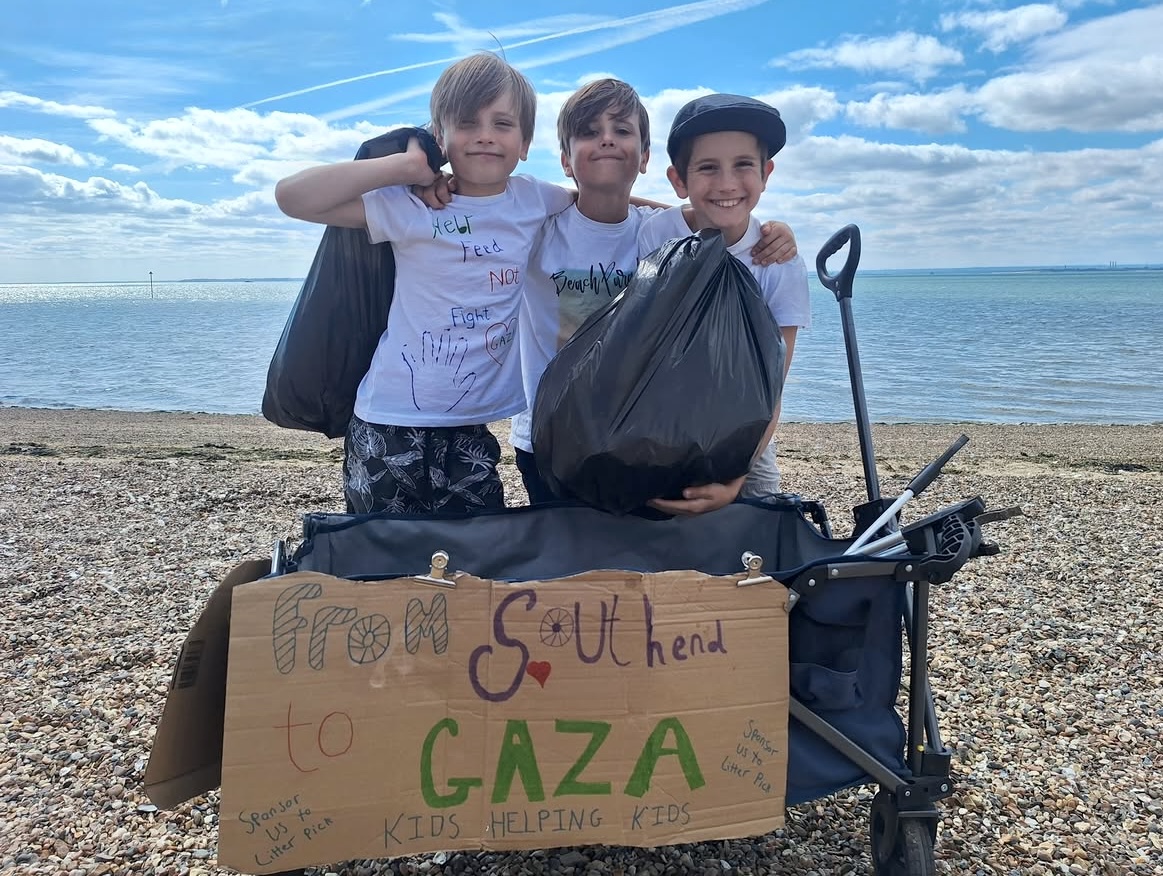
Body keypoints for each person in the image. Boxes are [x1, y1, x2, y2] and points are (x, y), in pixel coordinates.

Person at [273, 52, 577, 514]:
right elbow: (292, 197)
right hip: (386, 421)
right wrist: (404, 168)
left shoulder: (535, 199)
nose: (485, 136)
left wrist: (690, 214)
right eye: (467, 122)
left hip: (473, 428)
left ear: (525, 141)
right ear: (441, 136)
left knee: (474, 570)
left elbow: (598, 202)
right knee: (381, 565)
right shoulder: (413, 206)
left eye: (502, 124)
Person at [512, 79, 800, 506]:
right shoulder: (537, 229)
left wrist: (765, 228)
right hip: (551, 435)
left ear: (644, 157)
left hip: (644, 437)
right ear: (565, 160)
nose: (607, 139)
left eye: (622, 131)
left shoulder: (654, 233)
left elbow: (701, 218)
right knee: (570, 560)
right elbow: (481, 209)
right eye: (589, 132)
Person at [635, 93, 812, 515]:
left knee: (757, 546)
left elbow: (773, 386)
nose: (727, 183)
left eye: (743, 165)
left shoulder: (779, 263)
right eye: (708, 167)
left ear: (766, 173)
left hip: (746, 441)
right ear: (679, 180)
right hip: (664, 430)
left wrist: (737, 476)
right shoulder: (656, 237)